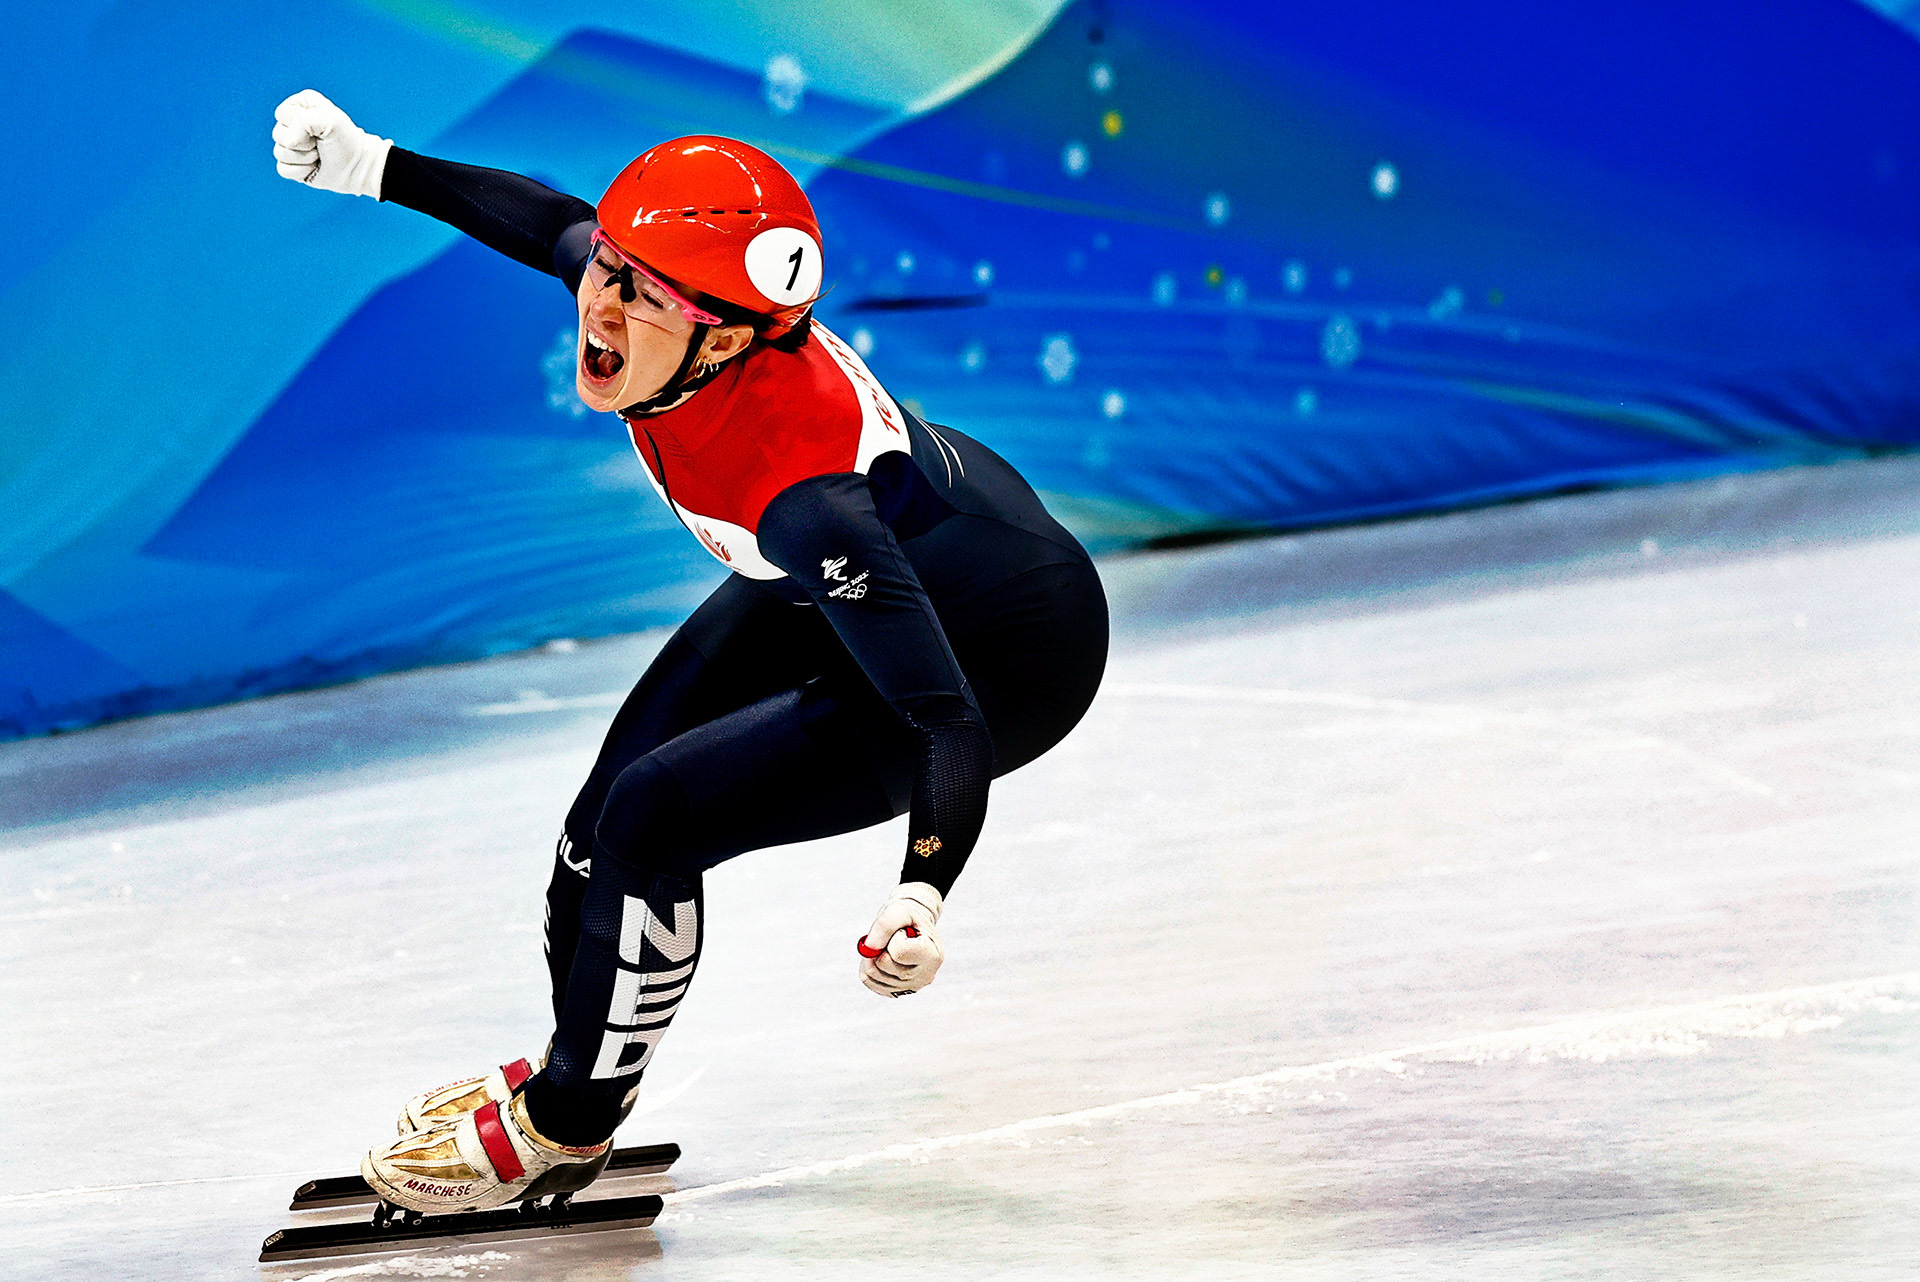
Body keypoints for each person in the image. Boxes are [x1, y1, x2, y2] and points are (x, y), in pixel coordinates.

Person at [270, 89, 1109, 1215]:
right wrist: (374, 163)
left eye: (635, 292)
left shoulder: (810, 497)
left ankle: (564, 1125)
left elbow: (944, 718)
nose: (597, 305)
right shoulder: (680, 321)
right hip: (838, 583)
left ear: (718, 335)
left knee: (656, 815)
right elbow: (544, 222)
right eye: (607, 270)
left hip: (1005, 650)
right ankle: (582, 1082)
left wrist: (923, 886)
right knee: (595, 830)